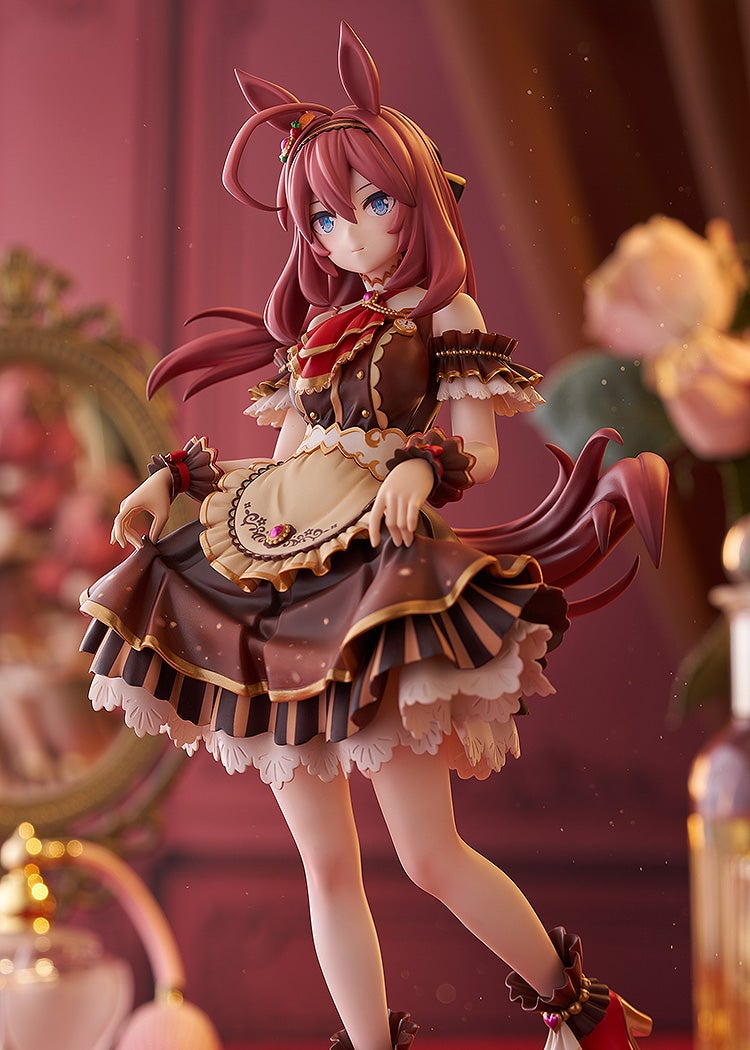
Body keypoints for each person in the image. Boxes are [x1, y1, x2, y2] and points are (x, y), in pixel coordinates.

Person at [80, 23, 666, 1050]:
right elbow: (283, 465)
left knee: (428, 853)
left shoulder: (447, 317)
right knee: (326, 864)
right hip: (280, 586)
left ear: (418, 198)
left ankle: (586, 1014)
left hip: (382, 591)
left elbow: (478, 448)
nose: (348, 231)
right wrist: (173, 482)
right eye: (323, 215)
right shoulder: (319, 333)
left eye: (372, 202)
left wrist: (419, 464)